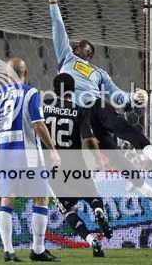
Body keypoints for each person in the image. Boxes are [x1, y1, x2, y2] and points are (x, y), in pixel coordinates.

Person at [42, 0, 152, 201]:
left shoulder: (99, 73)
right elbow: (57, 27)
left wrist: (134, 99)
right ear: (76, 48)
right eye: (81, 46)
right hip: (75, 114)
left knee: (119, 127)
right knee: (113, 154)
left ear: (89, 55)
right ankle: (147, 190)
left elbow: (117, 96)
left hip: (93, 106)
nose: (83, 49)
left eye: (87, 49)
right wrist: (53, 0)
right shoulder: (66, 57)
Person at [0, 57, 60, 262]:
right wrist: (53, 150)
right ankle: (37, 250)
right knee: (41, 198)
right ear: (25, 73)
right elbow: (38, 124)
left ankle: (8, 251)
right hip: (28, 155)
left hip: (4, 155)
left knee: (7, 198)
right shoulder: (31, 92)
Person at [43, 73, 111, 257]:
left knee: (68, 210)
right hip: (76, 164)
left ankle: (91, 240)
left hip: (53, 168)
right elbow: (88, 139)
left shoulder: (44, 107)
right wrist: (98, 159)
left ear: (54, 88)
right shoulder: (78, 109)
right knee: (93, 195)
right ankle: (97, 210)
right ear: (72, 90)